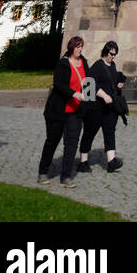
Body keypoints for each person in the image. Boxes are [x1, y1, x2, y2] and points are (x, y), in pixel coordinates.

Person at [38, 36, 88, 187]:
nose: (80, 49)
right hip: (58, 110)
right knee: (52, 141)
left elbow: (88, 81)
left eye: (81, 46)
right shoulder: (63, 63)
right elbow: (58, 84)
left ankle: (66, 177)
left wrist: (89, 98)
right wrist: (74, 94)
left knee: (72, 144)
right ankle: (43, 171)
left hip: (75, 112)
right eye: (77, 46)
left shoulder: (84, 62)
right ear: (71, 47)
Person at [77, 40, 127, 174]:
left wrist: (120, 81)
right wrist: (103, 95)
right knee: (89, 134)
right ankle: (83, 162)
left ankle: (111, 162)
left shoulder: (113, 65)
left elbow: (112, 79)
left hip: (109, 108)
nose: (113, 56)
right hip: (95, 108)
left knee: (110, 133)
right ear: (105, 51)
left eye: (115, 54)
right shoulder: (97, 66)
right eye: (111, 54)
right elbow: (89, 84)